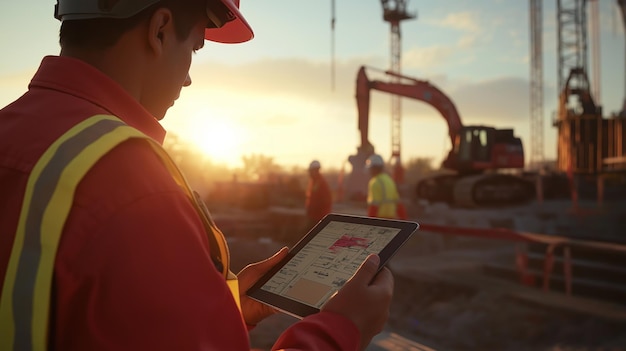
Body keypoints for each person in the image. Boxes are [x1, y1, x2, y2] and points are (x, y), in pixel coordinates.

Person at [0, 1, 394, 350]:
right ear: (159, 29)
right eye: (194, 47)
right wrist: (340, 330)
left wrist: (226, 304)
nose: (188, 77)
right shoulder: (135, 190)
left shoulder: (12, 131)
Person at [366, 154, 407, 220]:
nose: (370, 171)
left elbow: (374, 206)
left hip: (379, 220)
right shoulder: (389, 180)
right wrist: (405, 222)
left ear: (375, 168)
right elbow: (398, 204)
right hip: (391, 220)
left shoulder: (375, 182)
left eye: (371, 168)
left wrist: (369, 223)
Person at [304, 160, 333, 230]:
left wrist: (314, 208)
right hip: (314, 216)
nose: (309, 173)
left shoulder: (321, 183)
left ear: (316, 170)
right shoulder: (314, 182)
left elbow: (325, 201)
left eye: (310, 171)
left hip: (319, 217)